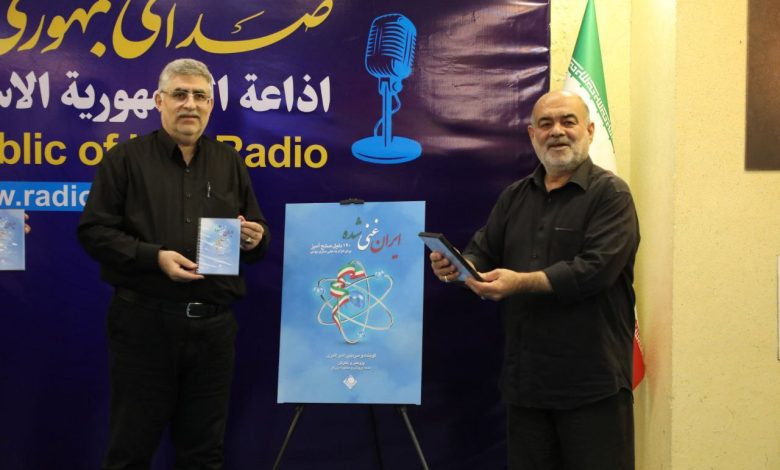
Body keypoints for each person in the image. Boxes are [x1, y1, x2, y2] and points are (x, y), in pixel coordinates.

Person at [429, 90, 639, 470]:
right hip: (526, 387)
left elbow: (595, 270)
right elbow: (482, 251)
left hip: (593, 386)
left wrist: (520, 282)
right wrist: (458, 268)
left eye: (568, 122)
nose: (556, 131)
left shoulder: (612, 195)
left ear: (590, 130)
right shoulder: (514, 197)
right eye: (545, 123)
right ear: (532, 134)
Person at [78, 58, 269, 470]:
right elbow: (93, 232)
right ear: (158, 100)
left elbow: (255, 237)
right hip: (144, 326)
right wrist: (154, 257)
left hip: (214, 331)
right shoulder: (124, 159)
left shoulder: (229, 162)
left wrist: (255, 238)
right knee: (130, 452)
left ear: (211, 105)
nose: (190, 104)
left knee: (203, 454)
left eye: (200, 96)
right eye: (180, 94)